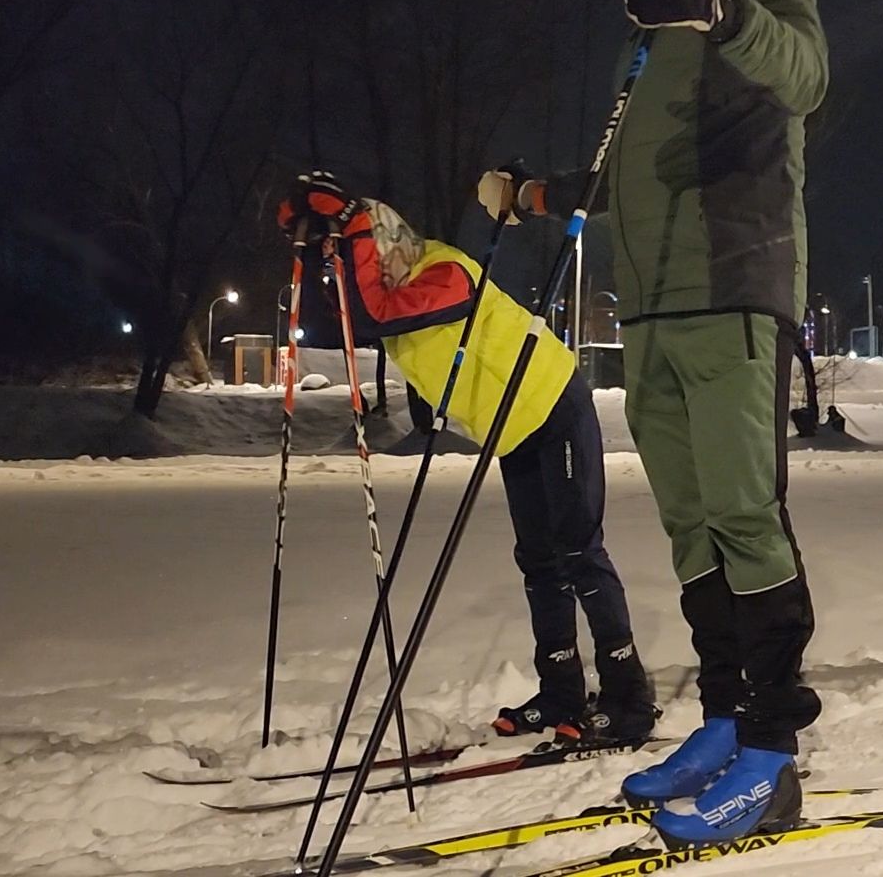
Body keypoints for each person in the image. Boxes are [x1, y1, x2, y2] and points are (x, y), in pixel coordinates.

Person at [477, 0, 826, 846]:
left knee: (744, 516)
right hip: (656, 303)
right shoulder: (650, 11)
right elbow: (638, 169)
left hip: (731, 280)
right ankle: (723, 720)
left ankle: (771, 756)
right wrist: (536, 196)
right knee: (690, 526)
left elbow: (805, 76)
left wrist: (723, 10)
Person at [279, 175, 658, 743]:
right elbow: (356, 314)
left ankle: (628, 694)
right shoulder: (390, 289)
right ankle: (560, 691)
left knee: (578, 549)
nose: (345, 263)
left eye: (352, 249)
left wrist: (354, 220)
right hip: (511, 428)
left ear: (381, 241)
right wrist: (315, 246)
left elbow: (380, 313)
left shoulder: (445, 271)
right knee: (537, 560)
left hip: (552, 404)